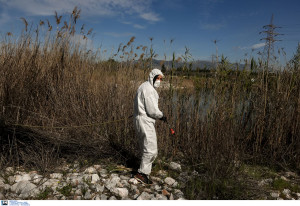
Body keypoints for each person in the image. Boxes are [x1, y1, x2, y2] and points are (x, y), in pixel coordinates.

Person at [133, 68, 167, 184]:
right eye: (158, 78)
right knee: (151, 149)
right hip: (146, 121)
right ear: (152, 77)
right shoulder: (149, 89)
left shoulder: (143, 86)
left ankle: (143, 171)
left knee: (146, 147)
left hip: (140, 119)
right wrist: (161, 116)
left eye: (161, 79)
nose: (159, 81)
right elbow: (152, 110)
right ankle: (142, 174)